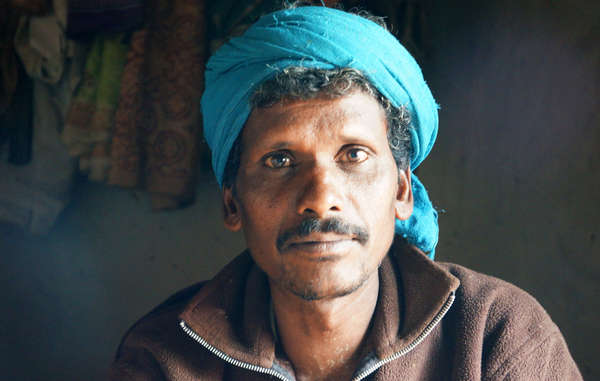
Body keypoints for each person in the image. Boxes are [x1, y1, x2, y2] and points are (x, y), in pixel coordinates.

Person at [109, 5, 582, 381]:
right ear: (232, 201)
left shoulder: (497, 337)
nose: (320, 197)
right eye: (280, 161)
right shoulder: (163, 360)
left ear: (401, 191)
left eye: (354, 155)